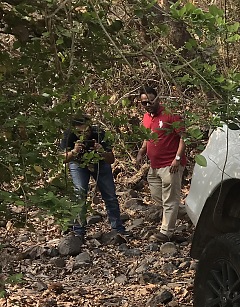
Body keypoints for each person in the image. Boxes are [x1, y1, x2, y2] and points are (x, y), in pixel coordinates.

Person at [61, 114, 127, 243]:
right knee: (79, 195)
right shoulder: (69, 135)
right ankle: (79, 230)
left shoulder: (99, 133)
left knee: (110, 195)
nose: (84, 135)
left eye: (86, 131)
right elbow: (62, 158)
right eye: (80, 132)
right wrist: (74, 151)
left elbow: (111, 159)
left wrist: (102, 151)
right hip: (78, 164)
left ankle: (118, 228)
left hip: (100, 163)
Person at [134, 86, 187, 243]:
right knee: (160, 198)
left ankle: (166, 232)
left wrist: (177, 159)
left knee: (170, 200)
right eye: (144, 103)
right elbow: (147, 137)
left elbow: (184, 138)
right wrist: (141, 151)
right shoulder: (146, 117)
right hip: (154, 166)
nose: (148, 104)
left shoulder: (170, 115)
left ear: (157, 99)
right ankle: (194, 213)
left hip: (171, 165)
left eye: (151, 100)